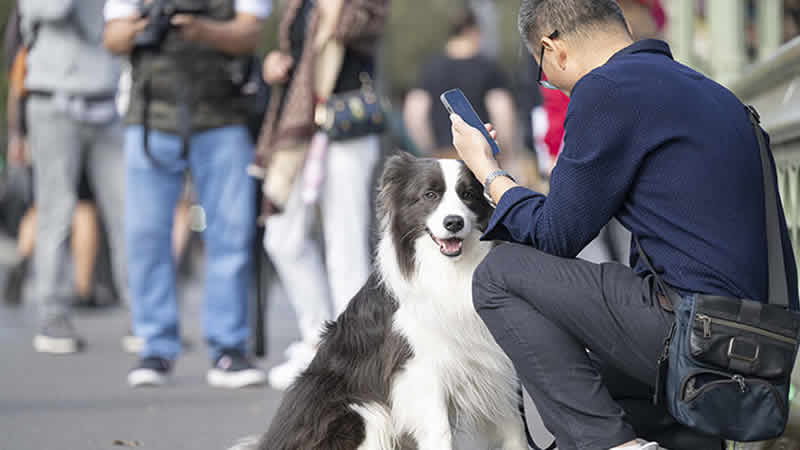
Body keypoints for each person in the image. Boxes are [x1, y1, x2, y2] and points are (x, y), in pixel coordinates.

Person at [449, 0, 798, 449]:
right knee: (590, 395)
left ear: (553, 48)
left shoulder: (606, 89)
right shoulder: (709, 91)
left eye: (542, 71)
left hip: (695, 333)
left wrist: (486, 171)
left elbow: (556, 235)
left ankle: (613, 445)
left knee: (499, 276)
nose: (551, 86)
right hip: (754, 343)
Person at [104, 0, 271, 388]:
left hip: (224, 117)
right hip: (150, 118)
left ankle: (229, 347)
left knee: (230, 233)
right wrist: (145, 27)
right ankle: (155, 345)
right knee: (146, 235)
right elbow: (112, 37)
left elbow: (248, 34)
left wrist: (202, 30)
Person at [253, 0, 390, 391]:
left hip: (345, 125)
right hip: (298, 128)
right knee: (281, 235)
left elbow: (355, 30)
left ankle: (356, 351)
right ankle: (317, 336)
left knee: (344, 240)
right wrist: (277, 63)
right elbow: (298, 52)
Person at [19, 0, 129, 354]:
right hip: (54, 100)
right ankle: (53, 314)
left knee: (127, 214)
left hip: (108, 100)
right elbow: (51, 10)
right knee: (57, 212)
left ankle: (145, 315)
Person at [404, 6, 516, 164]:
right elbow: (501, 110)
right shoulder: (488, 68)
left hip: (442, 157)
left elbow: (415, 112)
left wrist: (428, 150)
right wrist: (505, 151)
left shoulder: (431, 69)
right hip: (480, 156)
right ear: (473, 31)